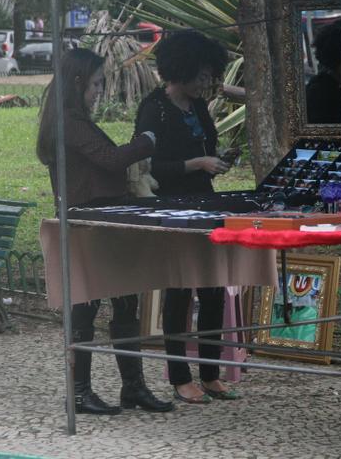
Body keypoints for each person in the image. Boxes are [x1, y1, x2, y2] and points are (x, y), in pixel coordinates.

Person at [36, 48, 173, 415]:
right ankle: (79, 393)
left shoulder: (72, 119)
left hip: (103, 221)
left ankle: (133, 388)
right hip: (87, 224)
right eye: (96, 83)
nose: (99, 91)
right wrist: (147, 141)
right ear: (78, 82)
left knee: (126, 305)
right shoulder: (68, 122)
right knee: (85, 309)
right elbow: (110, 159)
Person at [134, 30, 240, 404]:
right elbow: (146, 166)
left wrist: (214, 161)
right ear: (181, 70)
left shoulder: (196, 106)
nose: (205, 83)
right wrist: (196, 163)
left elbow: (205, 146)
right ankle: (180, 376)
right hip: (171, 205)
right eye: (201, 75)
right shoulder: (154, 108)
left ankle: (210, 372)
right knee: (179, 290)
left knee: (212, 288)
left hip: (203, 201)